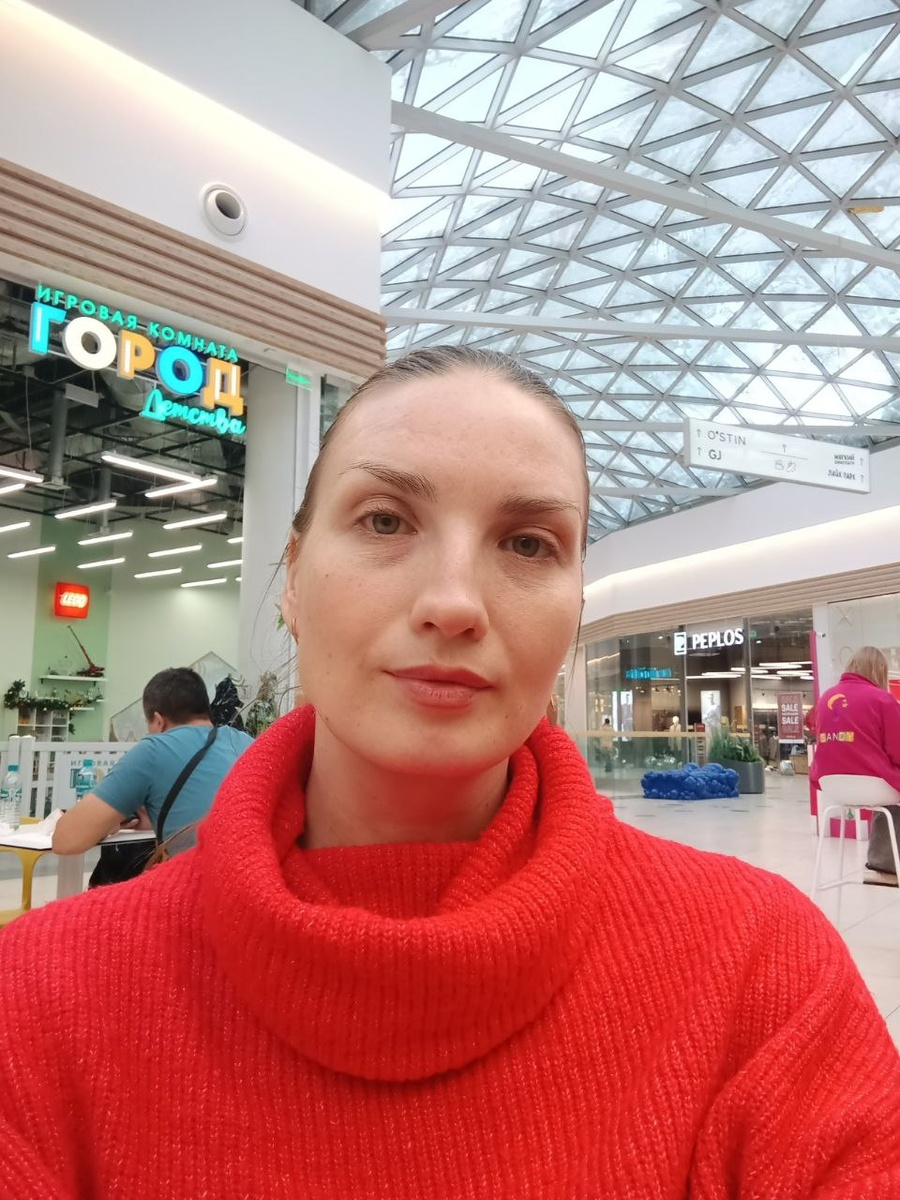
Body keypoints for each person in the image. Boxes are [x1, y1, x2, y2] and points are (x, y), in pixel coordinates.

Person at [1, 347, 899, 1195]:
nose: (454, 602)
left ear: (576, 607)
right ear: (292, 579)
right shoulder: (40, 1001)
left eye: (528, 544)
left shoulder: (759, 970)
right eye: (385, 520)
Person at [52, 667, 253, 872]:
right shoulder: (244, 742)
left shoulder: (153, 751)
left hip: (201, 882)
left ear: (158, 720)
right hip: (255, 876)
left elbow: (65, 840)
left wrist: (106, 825)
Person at [811, 645, 900, 876]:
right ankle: (888, 862)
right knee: (891, 792)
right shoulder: (882, 700)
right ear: (879, 670)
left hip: (831, 785)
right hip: (873, 784)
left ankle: (882, 862)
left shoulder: (825, 698)